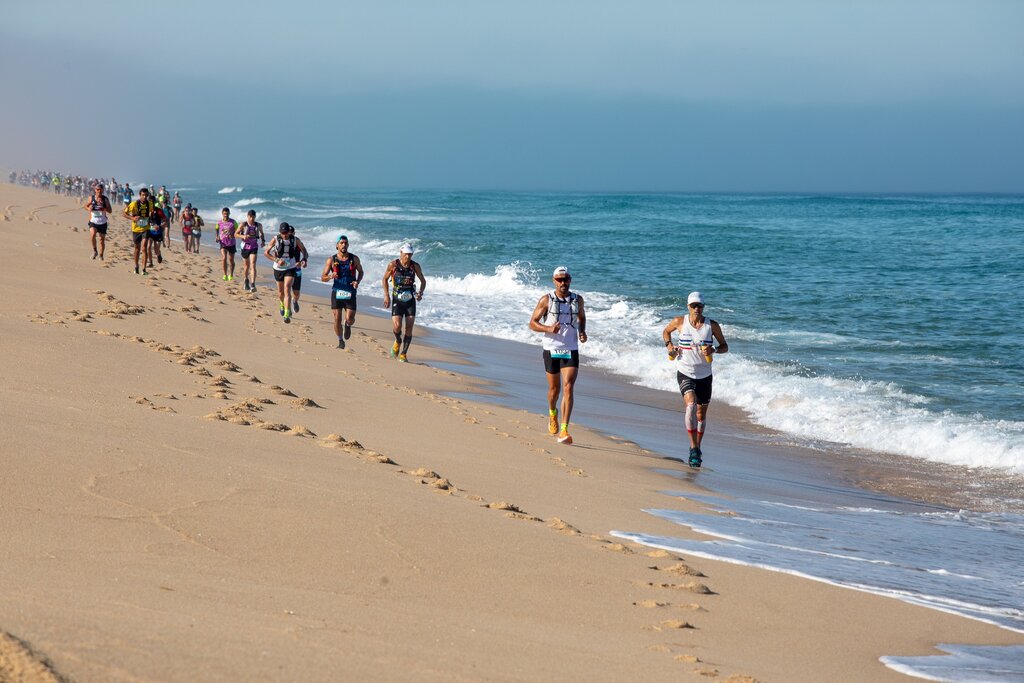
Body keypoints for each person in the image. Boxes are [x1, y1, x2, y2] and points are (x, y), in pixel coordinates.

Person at [661, 291, 729, 468]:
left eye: (699, 305)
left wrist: (713, 350)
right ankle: (692, 447)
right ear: (688, 306)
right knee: (690, 405)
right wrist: (670, 347)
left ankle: (698, 447)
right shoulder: (679, 322)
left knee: (700, 414)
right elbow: (666, 332)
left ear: (703, 307)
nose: (696, 308)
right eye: (693, 305)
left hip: (705, 375)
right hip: (685, 371)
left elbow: (725, 346)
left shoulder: (711, 326)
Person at [528, 266, 587, 445]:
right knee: (555, 390)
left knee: (568, 387)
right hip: (551, 348)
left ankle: (564, 430)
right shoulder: (547, 300)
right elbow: (532, 323)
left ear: (570, 280)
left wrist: (582, 332)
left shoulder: (578, 300)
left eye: (566, 279)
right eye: (559, 279)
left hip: (571, 348)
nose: (563, 282)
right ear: (554, 281)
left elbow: (582, 318)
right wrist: (548, 328)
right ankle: (552, 412)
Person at [381, 244, 426, 363]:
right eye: (406, 254)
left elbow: (423, 280)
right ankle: (398, 341)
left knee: (409, 327)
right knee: (397, 327)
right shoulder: (393, 265)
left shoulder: (415, 266)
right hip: (397, 299)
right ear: (401, 253)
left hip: (410, 300)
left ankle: (404, 354)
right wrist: (386, 295)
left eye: (410, 254)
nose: (408, 256)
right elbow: (384, 279)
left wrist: (420, 292)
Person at [320, 234, 363, 349]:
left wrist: (357, 281)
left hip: (350, 292)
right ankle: (340, 341)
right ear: (337, 246)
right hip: (337, 292)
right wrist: (330, 276)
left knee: (350, 318)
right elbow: (322, 277)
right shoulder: (331, 260)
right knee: (337, 319)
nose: (344, 245)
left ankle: (348, 325)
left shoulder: (354, 259)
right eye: (341, 243)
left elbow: (361, 271)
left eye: (345, 243)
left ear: (348, 245)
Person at [264, 222, 308, 323]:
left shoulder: (295, 240)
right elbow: (266, 253)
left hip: (290, 267)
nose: (284, 235)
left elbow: (304, 249)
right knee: (281, 293)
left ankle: (287, 314)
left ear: (289, 232)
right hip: (278, 268)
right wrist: (276, 260)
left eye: (286, 232)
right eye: (282, 233)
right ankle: (281, 303)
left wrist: (304, 259)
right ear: (280, 232)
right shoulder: (275, 239)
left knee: (287, 288)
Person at [124, 188, 154, 275]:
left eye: (146, 195)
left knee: (144, 247)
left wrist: (152, 221)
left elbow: (152, 214)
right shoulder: (134, 204)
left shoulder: (150, 204)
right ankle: (136, 266)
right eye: (143, 195)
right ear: (140, 195)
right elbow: (124, 213)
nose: (144, 197)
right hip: (136, 229)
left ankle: (144, 269)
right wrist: (132, 218)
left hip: (146, 228)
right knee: (137, 248)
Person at [234, 210, 265, 291]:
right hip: (245, 247)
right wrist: (243, 236)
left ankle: (253, 285)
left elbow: (262, 233)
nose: (252, 218)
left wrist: (263, 241)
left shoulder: (259, 225)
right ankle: (245, 280)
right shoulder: (243, 224)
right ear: (247, 216)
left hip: (254, 247)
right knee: (246, 266)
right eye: (250, 217)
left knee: (253, 264)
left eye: (253, 217)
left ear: (255, 217)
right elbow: (235, 234)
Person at [84, 183, 111, 260]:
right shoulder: (91, 198)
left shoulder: (105, 199)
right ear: (95, 190)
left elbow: (110, 210)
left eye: (100, 189)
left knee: (101, 239)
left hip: (102, 222)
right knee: (92, 235)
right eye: (97, 189)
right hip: (93, 221)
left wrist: (104, 209)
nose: (99, 191)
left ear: (103, 190)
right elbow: (85, 206)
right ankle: (95, 251)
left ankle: (101, 255)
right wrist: (88, 208)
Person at [216, 207, 237, 281]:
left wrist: (233, 234)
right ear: (222, 214)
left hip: (231, 243)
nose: (226, 215)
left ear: (229, 213)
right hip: (223, 243)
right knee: (224, 258)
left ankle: (231, 274)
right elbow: (217, 228)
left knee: (231, 260)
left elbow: (238, 231)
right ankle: (225, 275)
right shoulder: (219, 222)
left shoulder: (233, 222)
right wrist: (217, 236)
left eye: (227, 214)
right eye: (224, 214)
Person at [146, 201, 168, 268]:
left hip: (158, 232)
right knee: (148, 247)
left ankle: (158, 254)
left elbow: (165, 220)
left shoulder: (159, 211)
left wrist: (160, 226)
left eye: (151, 203)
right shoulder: (146, 210)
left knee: (156, 250)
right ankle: (150, 262)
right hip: (150, 232)